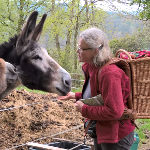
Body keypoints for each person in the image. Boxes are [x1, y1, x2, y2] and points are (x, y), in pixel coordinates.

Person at [58, 27, 135, 150]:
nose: (78, 51)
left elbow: (115, 111)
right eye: (78, 47)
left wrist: (84, 109)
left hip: (116, 136)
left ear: (96, 50)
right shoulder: (92, 68)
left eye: (82, 49)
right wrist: (76, 96)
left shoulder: (110, 74)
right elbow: (100, 96)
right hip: (102, 130)